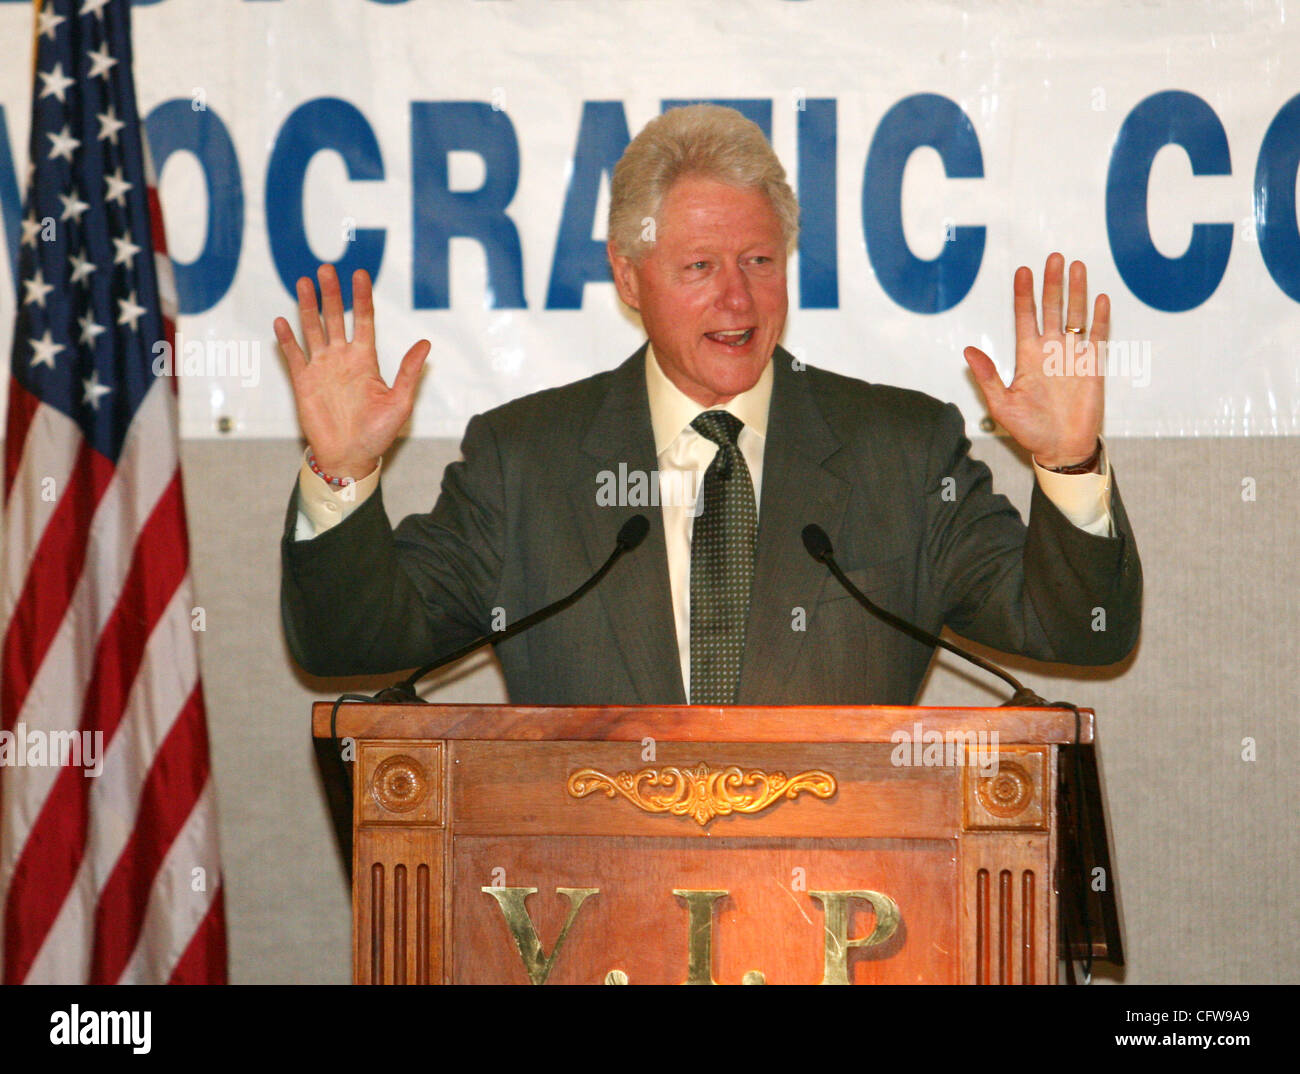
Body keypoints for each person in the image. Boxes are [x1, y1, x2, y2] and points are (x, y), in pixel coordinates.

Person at [276, 105, 1140, 706]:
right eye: (699, 268)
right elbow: (350, 645)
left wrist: (1067, 466)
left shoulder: (903, 453)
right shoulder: (524, 463)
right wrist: (343, 473)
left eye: (760, 262)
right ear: (627, 275)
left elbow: (1082, 635)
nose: (738, 300)